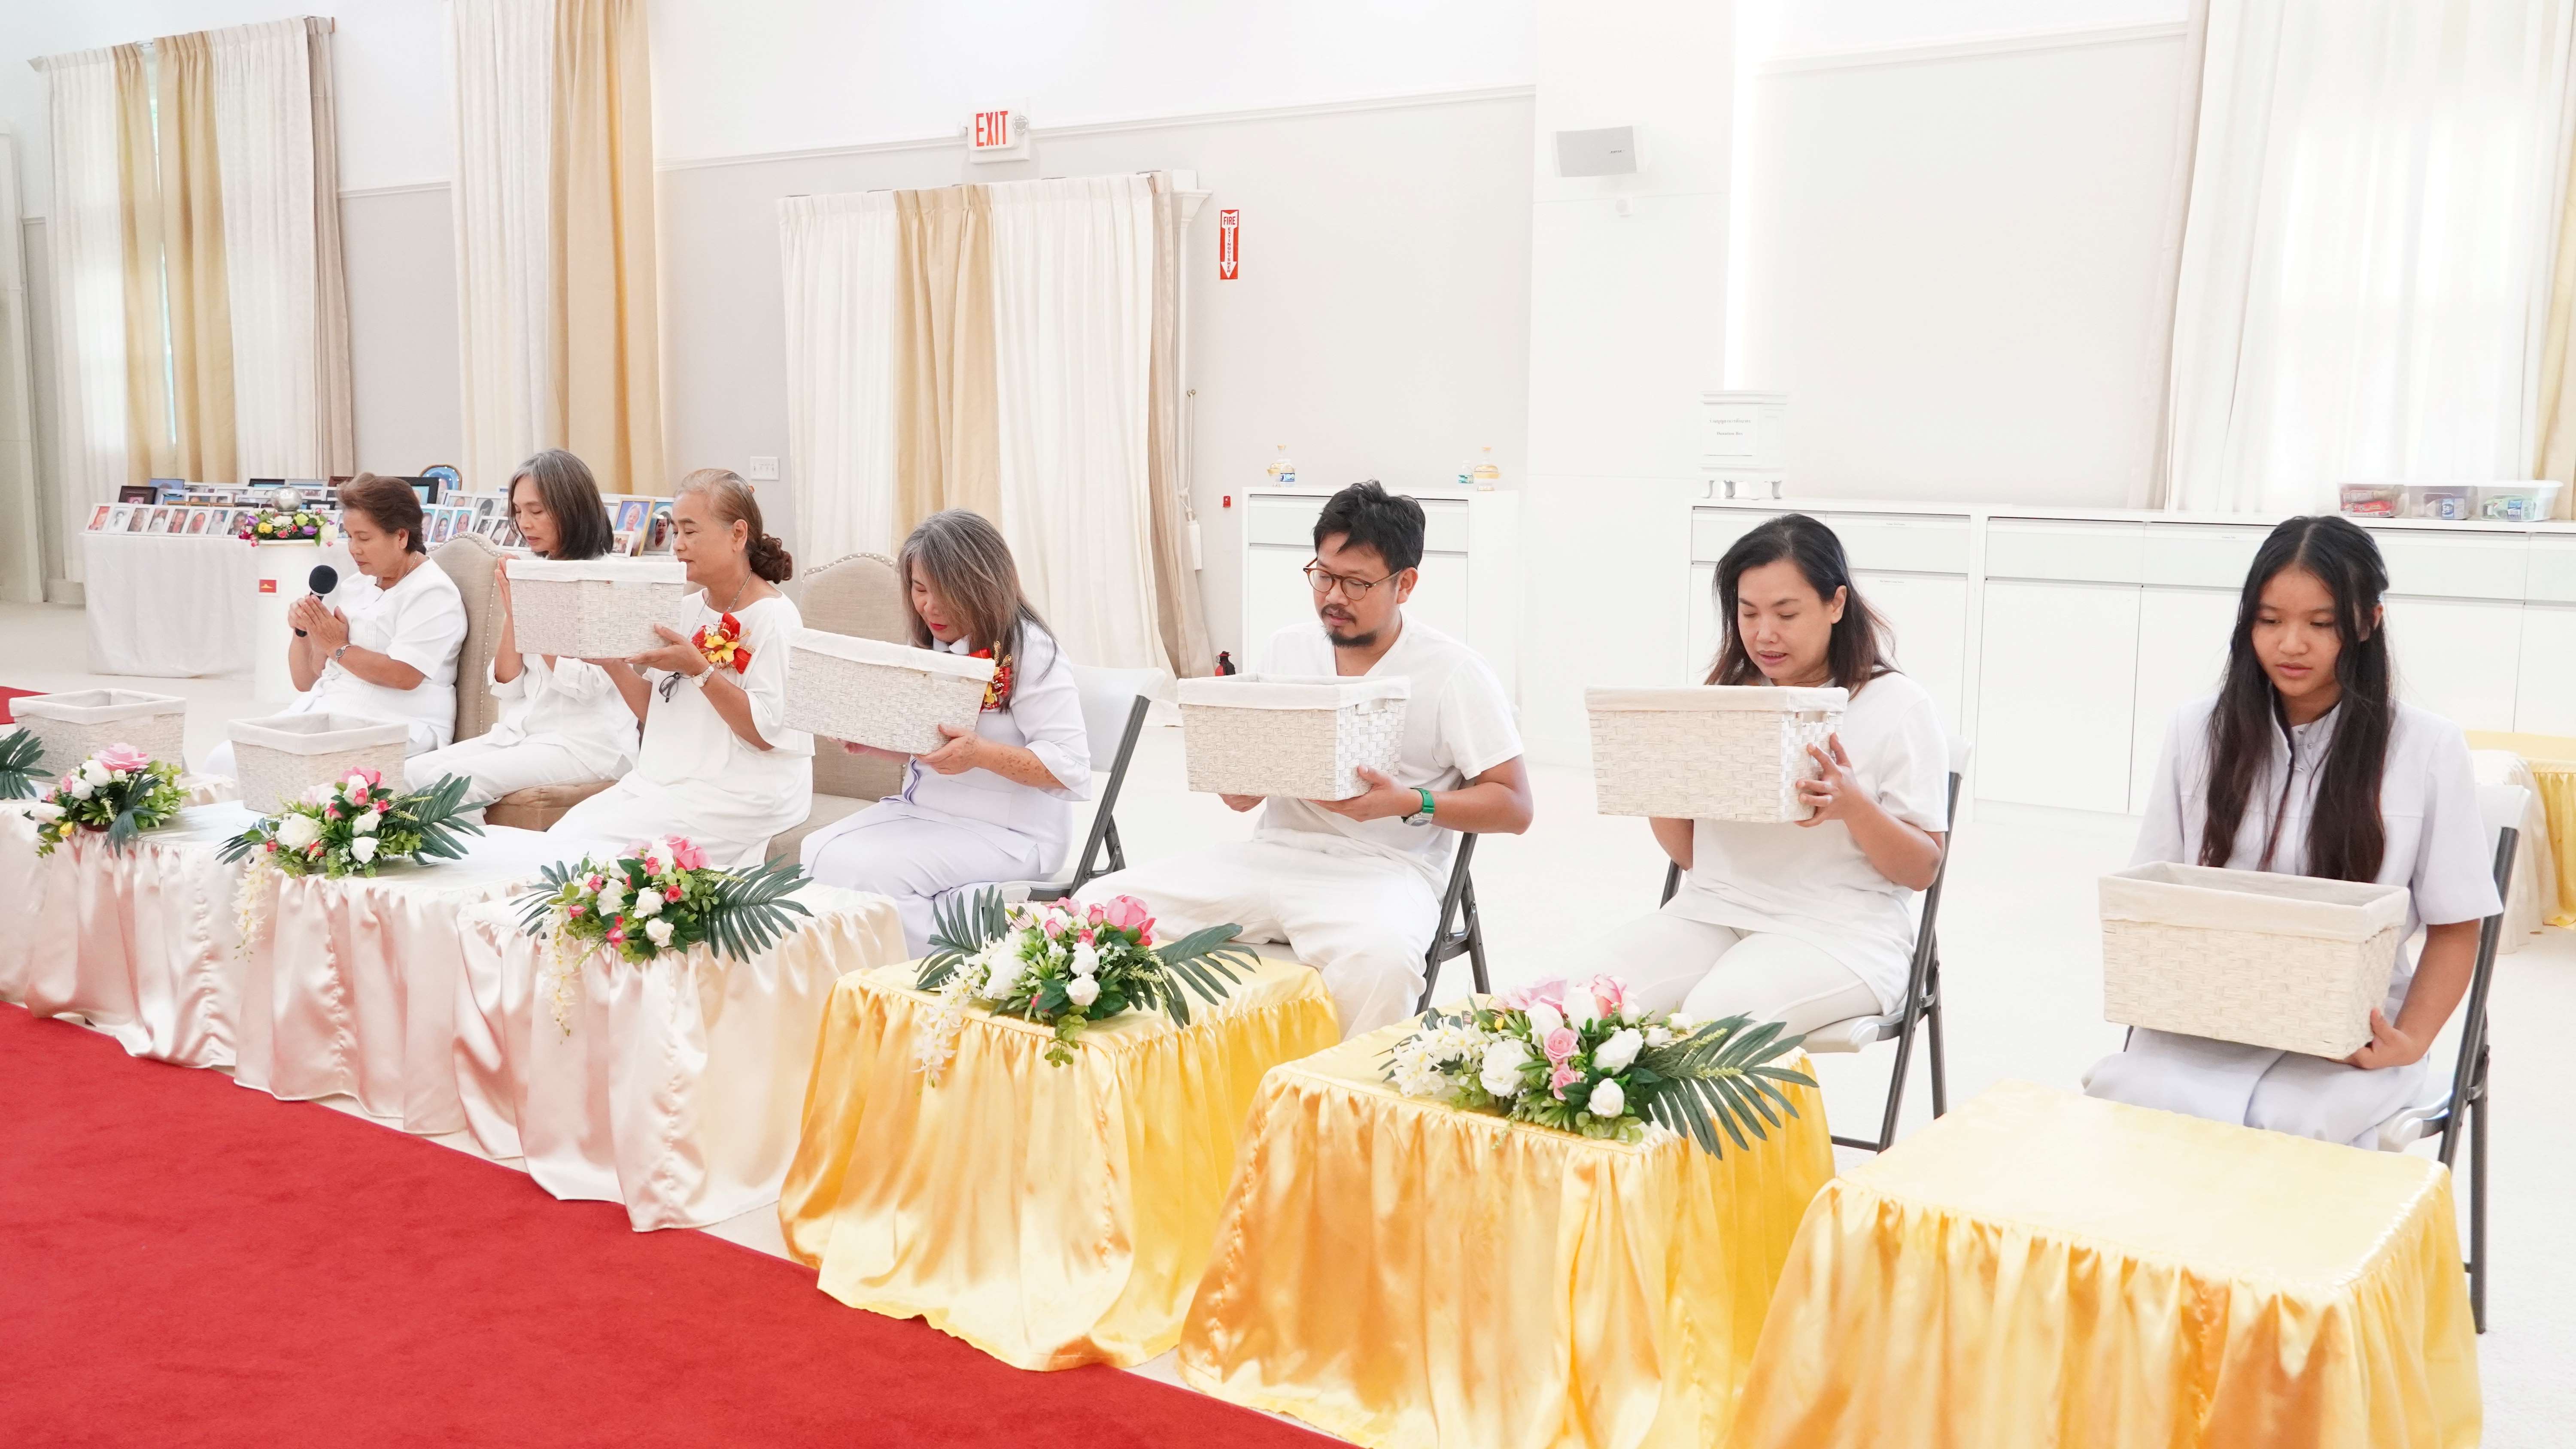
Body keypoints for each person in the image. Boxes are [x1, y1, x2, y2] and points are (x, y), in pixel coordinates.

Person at [2086, 515, 2498, 1146]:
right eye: (2270, 620)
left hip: (2350, 1029)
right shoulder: (2196, 732)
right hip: (2208, 1012)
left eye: (2321, 623)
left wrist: (2408, 1041)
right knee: (2131, 1098)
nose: (2291, 645)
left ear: (2367, 622)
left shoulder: (2427, 746)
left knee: (2291, 1126)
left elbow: (2457, 924)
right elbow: (2156, 897)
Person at [1077, 480, 1533, 1037]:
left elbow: (1514, 806)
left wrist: (1409, 803)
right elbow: (1248, 785)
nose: (1332, 597)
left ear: (1405, 584)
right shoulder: (1288, 648)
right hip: (1274, 854)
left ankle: (1341, 1107)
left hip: (1383, 872)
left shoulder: (1455, 673)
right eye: (1322, 575)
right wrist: (1241, 783)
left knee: (1383, 962)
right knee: (1098, 905)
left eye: (1356, 583)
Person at [1585, 514, 1950, 1034]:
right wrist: (1657, 781)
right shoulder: (1727, 698)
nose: (1764, 634)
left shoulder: (1897, 705)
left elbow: (1921, 871)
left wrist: (1854, 807)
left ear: (1836, 604)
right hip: (1713, 912)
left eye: (1786, 613)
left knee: (1713, 1021)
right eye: (1748, 612)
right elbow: (1694, 856)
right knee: (1575, 1000)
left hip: (1843, 933)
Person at [799, 510, 1091, 955]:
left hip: (1012, 833)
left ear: (981, 585)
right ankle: (855, 981)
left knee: (874, 874)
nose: (929, 607)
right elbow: (937, 745)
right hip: (930, 813)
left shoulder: (1031, 649)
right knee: (816, 851)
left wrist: (979, 753)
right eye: (919, 589)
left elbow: (1069, 768)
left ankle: (933, 977)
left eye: (944, 593)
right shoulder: (934, 643)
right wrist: (875, 740)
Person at [547, 470, 813, 868]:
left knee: (585, 851)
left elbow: (766, 735)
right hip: (671, 779)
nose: (678, 545)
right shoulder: (686, 609)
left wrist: (700, 670)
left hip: (743, 793)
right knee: (560, 839)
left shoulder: (775, 618)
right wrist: (614, 665)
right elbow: (658, 716)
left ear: (738, 535)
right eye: (675, 532)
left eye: (690, 532)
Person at [403, 450, 638, 802]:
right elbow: (508, 686)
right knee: (410, 773)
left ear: (572, 508)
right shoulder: (535, 571)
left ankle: (477, 860)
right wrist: (517, 615)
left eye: (537, 511)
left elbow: (586, 686)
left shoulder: (613, 581)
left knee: (449, 783)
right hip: (525, 733)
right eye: (517, 511)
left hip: (588, 744)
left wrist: (535, 613)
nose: (524, 523)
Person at [204, 473, 468, 780]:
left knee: (273, 771)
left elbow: (404, 675)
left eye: (364, 538)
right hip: (331, 712)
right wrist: (305, 632)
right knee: (222, 761)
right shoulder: (358, 585)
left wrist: (337, 646)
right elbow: (307, 679)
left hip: (396, 722)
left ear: (401, 537)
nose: (353, 549)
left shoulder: (432, 592)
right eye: (350, 536)